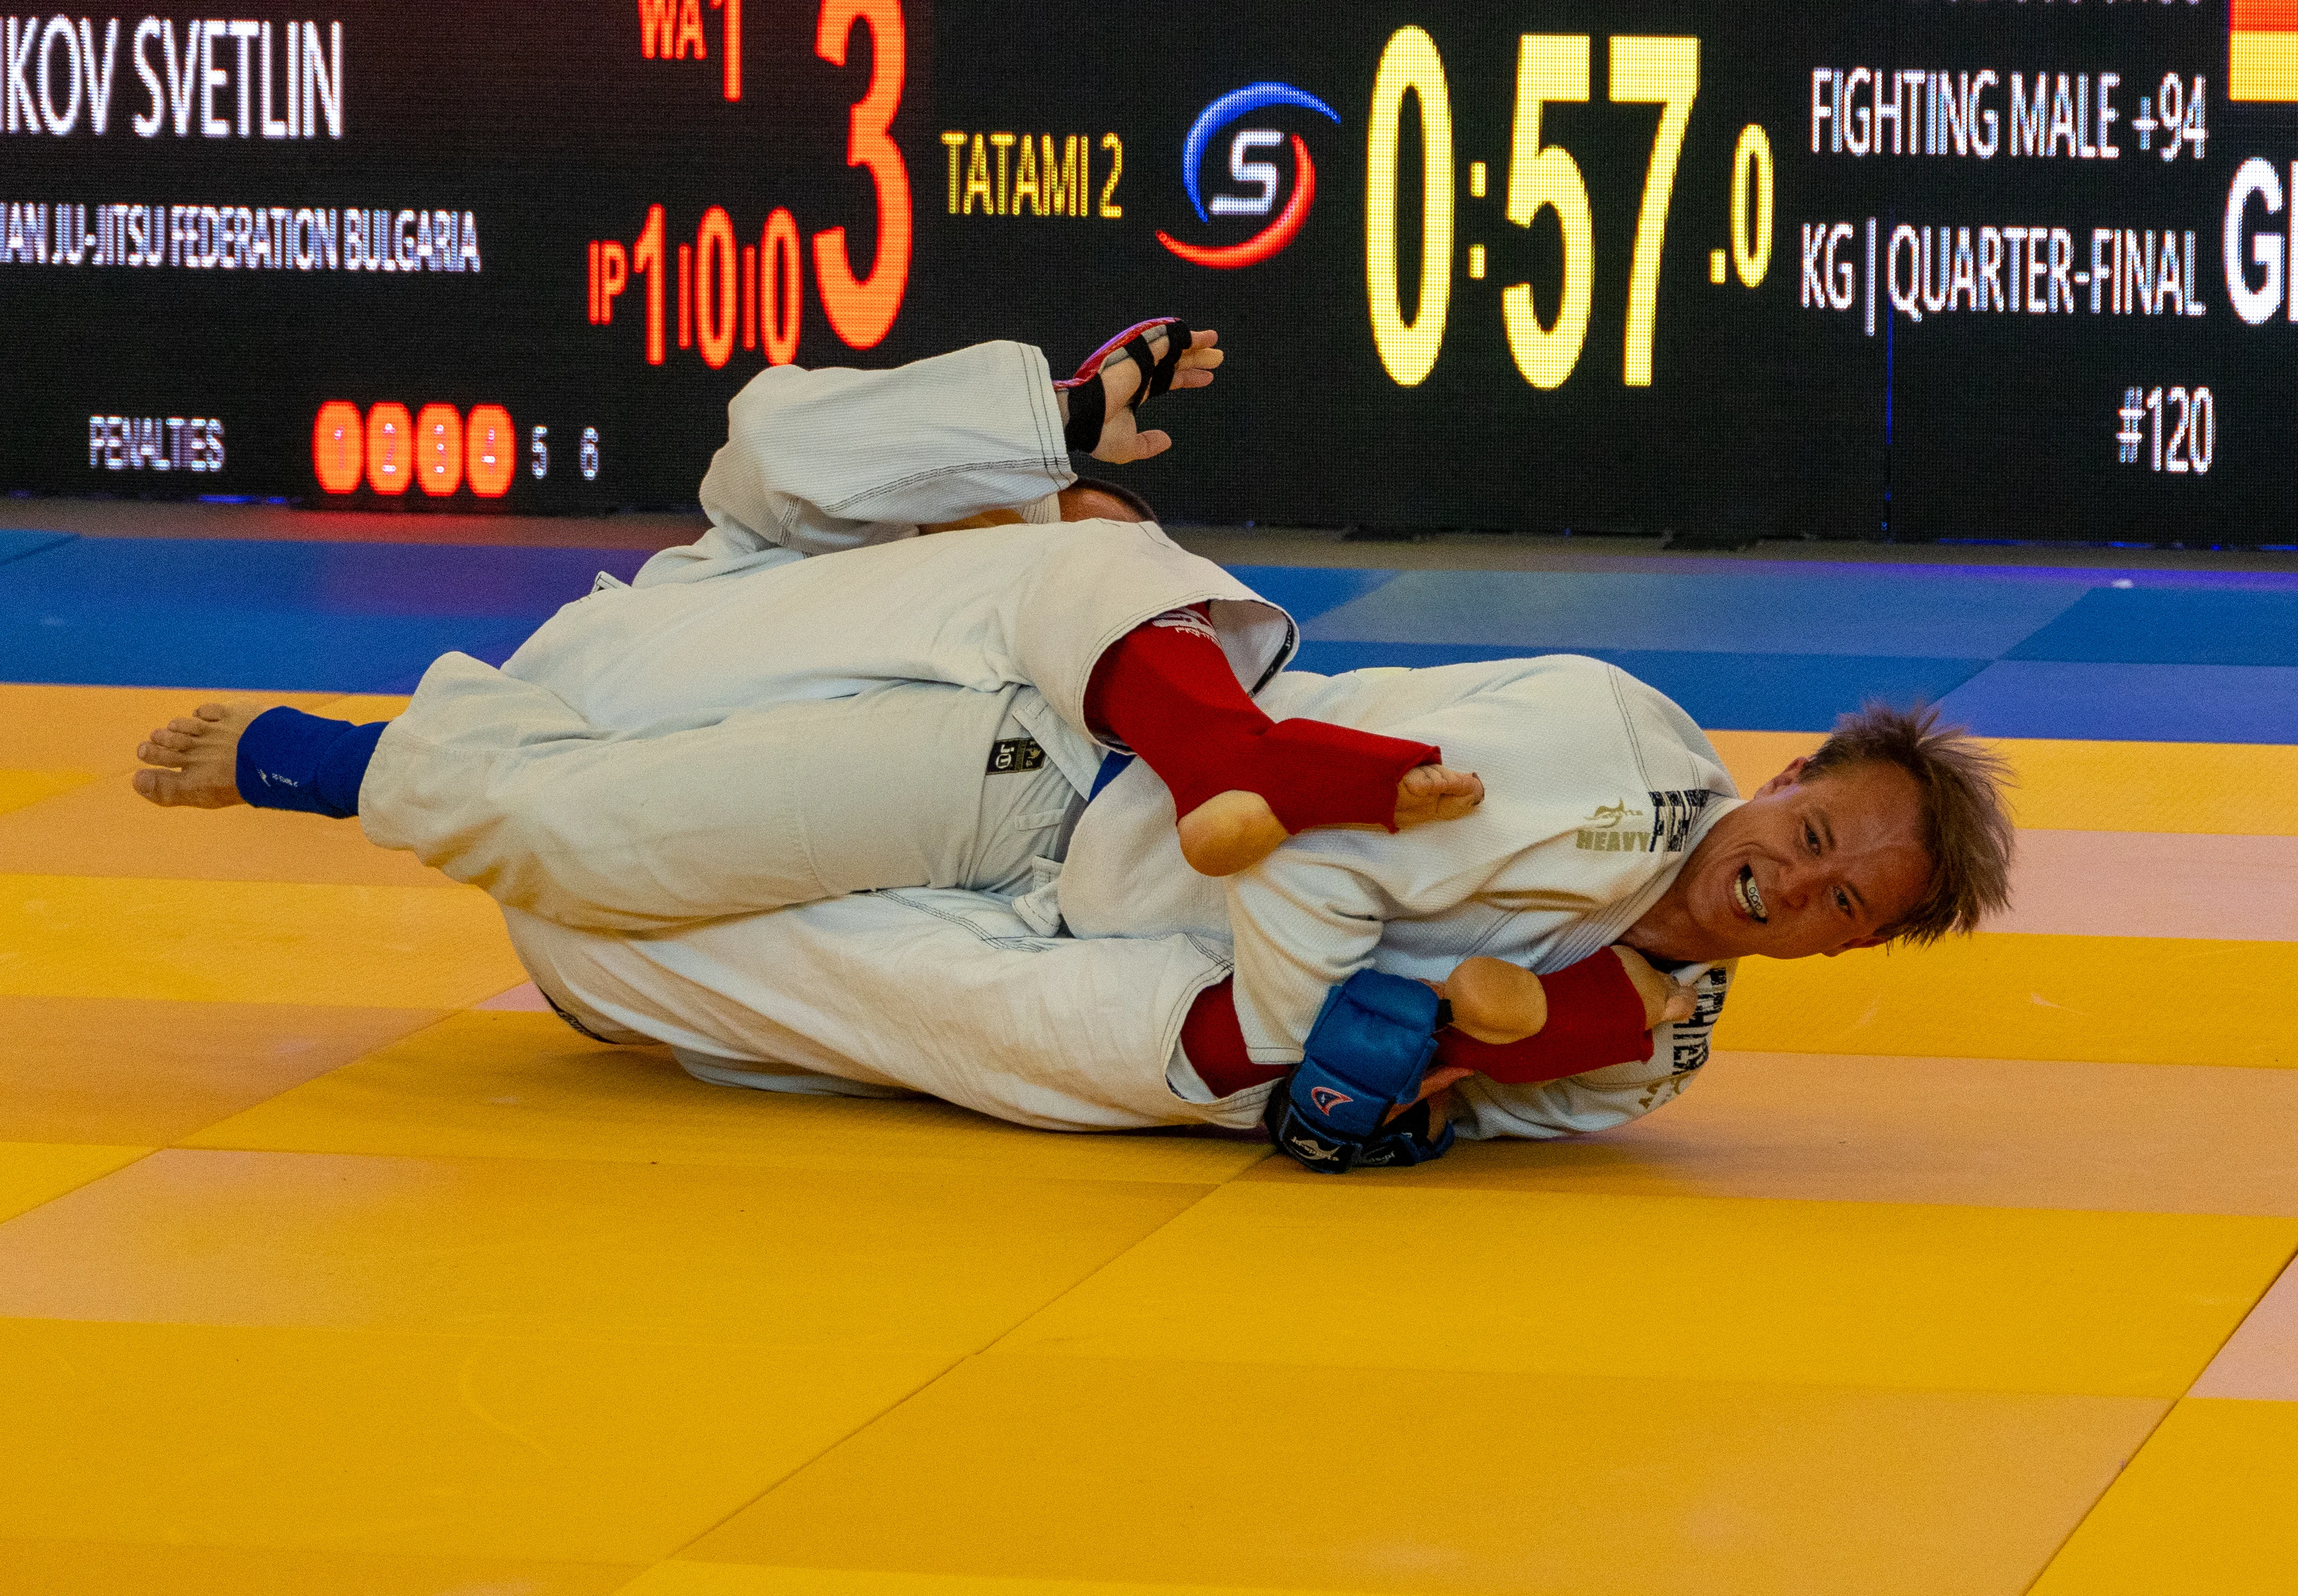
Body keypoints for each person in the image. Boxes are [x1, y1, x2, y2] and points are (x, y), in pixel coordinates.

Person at [131, 322, 2015, 1163]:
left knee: (595, 954)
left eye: (1847, 902)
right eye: (1822, 832)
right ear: (1786, 777)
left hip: (1072, 910)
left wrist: (1384, 1096)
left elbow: (1440, 1086)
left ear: (1848, 949)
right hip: (1038, 753)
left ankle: (1102, 547)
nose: (1804, 884)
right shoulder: (1629, 771)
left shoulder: (1648, 1061)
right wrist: (1317, 978)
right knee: (742, 561)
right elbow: (1338, 864)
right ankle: (331, 761)